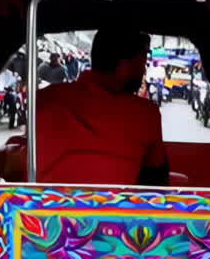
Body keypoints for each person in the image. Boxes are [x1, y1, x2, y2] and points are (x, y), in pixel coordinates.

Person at [34, 28, 168, 185]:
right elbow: (156, 179)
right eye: (142, 63)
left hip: (41, 207)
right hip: (115, 208)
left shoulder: (45, 99)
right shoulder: (146, 113)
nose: (144, 70)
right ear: (124, 66)